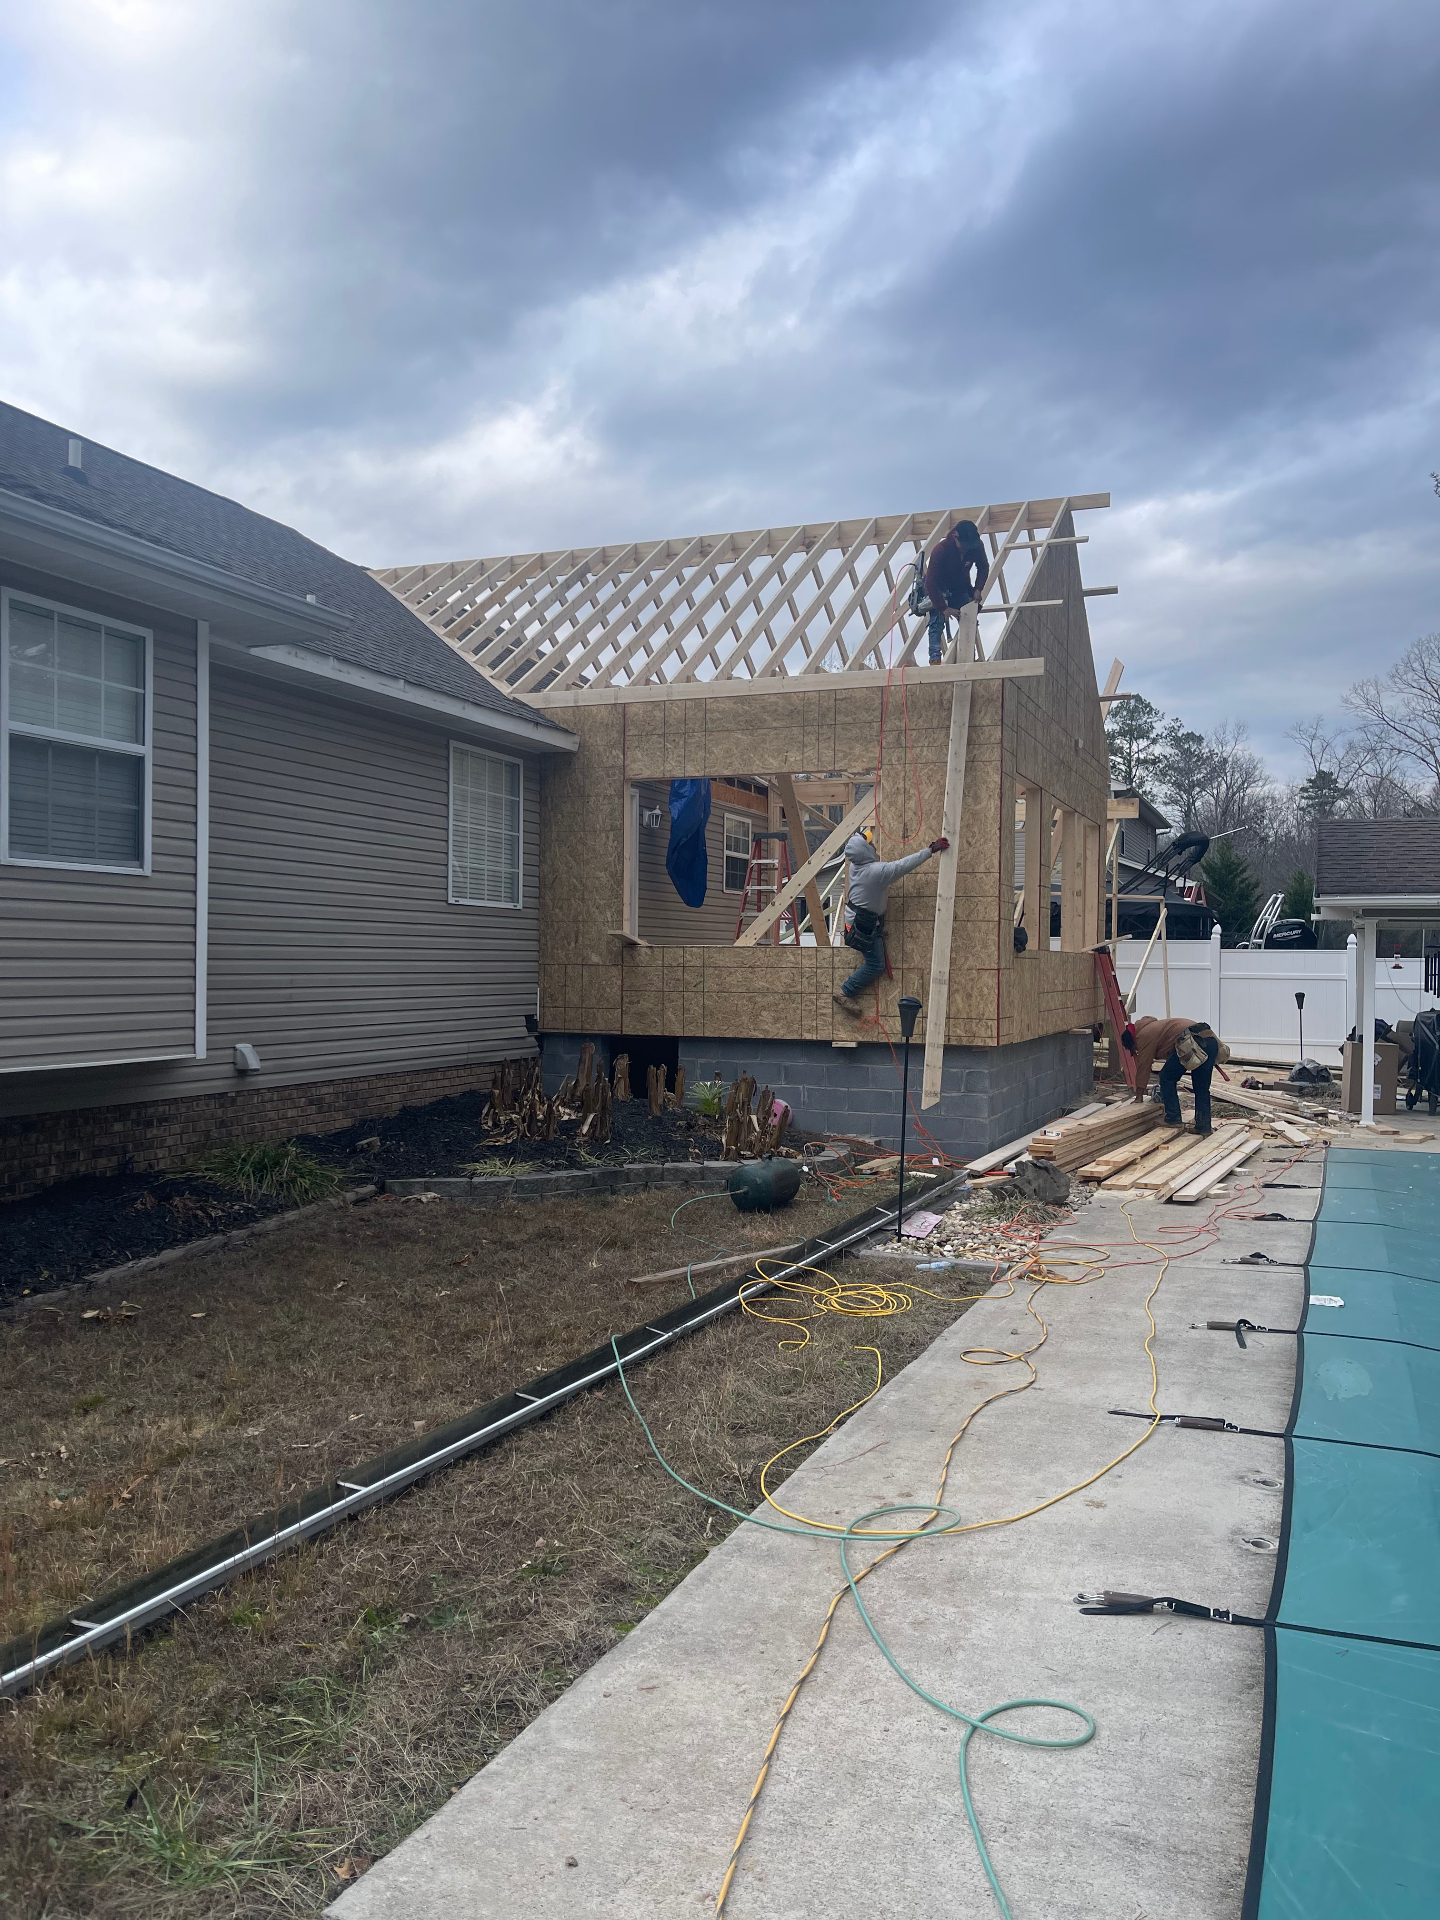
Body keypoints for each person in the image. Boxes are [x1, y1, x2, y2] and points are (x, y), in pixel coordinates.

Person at [832, 828, 949, 1018]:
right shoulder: (876, 872)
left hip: (859, 921)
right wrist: (930, 850)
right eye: (870, 843)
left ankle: (847, 990)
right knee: (876, 965)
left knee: (876, 961)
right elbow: (903, 866)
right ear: (864, 851)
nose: (873, 845)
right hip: (862, 925)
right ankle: (845, 992)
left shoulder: (857, 865)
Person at [1127, 1015, 1229, 1135]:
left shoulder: (1144, 1035)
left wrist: (1139, 1095)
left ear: (1132, 1041)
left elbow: (1144, 1065)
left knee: (1166, 1077)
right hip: (1210, 1041)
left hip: (1192, 1041)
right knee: (1201, 1087)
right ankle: (1203, 1127)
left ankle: (1173, 1118)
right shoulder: (1157, 1026)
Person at [922, 519, 989, 663]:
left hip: (960, 587)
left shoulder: (975, 547)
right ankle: (935, 659)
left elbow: (983, 567)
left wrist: (978, 588)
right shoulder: (941, 550)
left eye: (968, 547)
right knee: (937, 620)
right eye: (963, 546)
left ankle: (969, 655)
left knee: (969, 615)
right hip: (939, 589)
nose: (965, 549)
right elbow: (930, 582)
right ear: (955, 537)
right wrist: (943, 607)